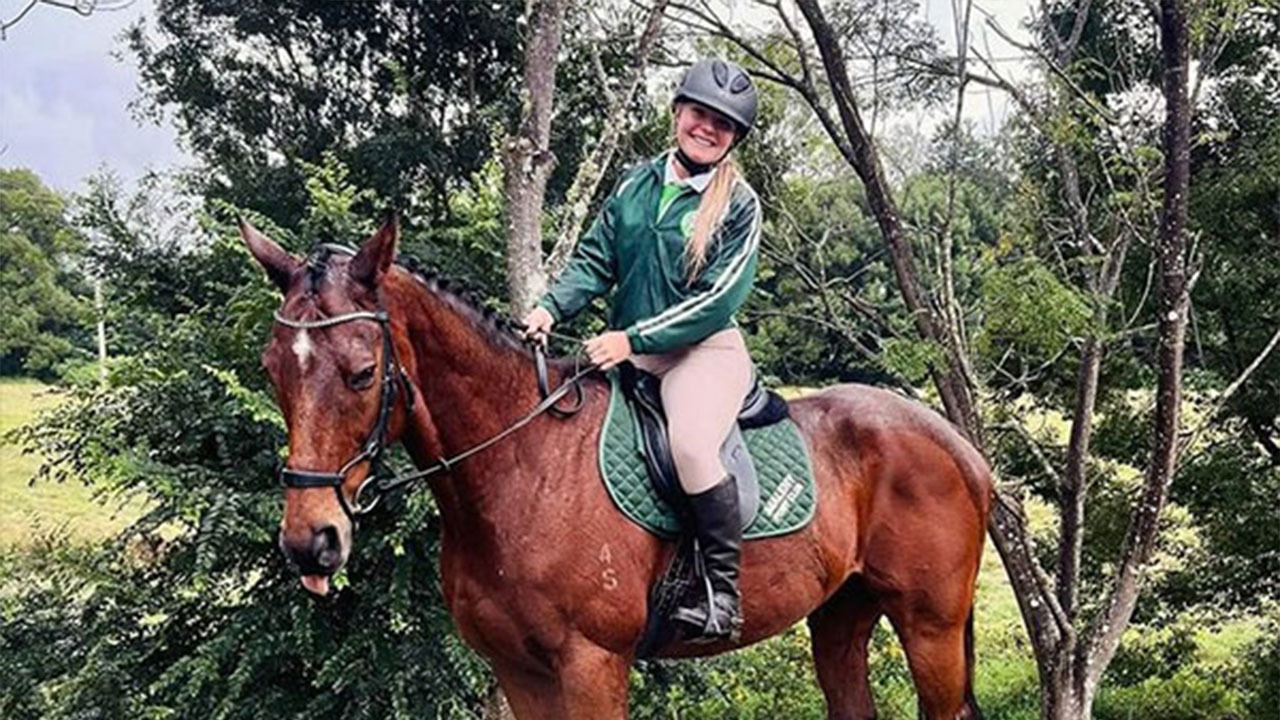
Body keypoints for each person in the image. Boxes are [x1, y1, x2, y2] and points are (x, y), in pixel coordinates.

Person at [522, 57, 761, 643]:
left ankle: (721, 595)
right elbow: (596, 259)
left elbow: (718, 300)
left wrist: (632, 339)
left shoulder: (740, 204)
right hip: (624, 350)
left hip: (701, 352)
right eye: (700, 113)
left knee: (690, 443)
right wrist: (552, 306)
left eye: (722, 124)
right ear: (678, 112)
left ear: (733, 139)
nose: (707, 128)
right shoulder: (635, 182)